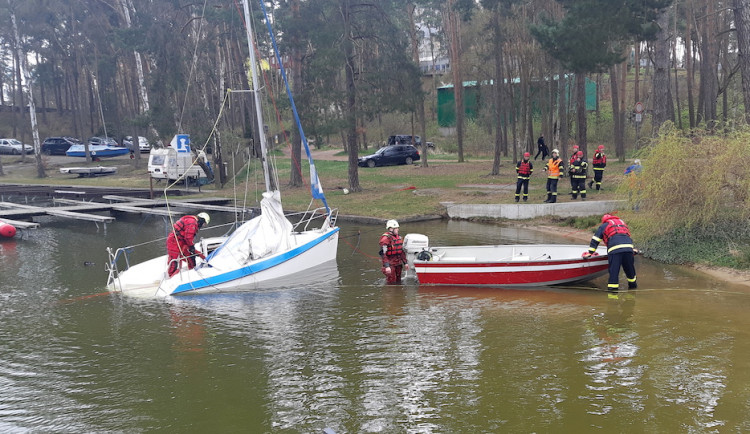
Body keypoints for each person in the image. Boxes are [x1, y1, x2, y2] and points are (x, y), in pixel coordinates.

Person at [584, 214, 637, 292]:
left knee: (614, 272)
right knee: (629, 269)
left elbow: (595, 239)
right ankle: (633, 288)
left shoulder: (604, 225)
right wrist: (632, 249)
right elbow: (626, 236)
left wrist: (590, 252)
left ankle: (612, 294)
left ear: (604, 220)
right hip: (628, 248)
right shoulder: (622, 224)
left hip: (615, 249)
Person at [166, 212, 210, 278]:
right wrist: (191, 247)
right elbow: (188, 237)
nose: (202, 226)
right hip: (174, 241)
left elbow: (187, 238)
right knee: (174, 260)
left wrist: (199, 254)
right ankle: (171, 276)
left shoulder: (192, 221)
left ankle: (192, 269)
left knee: (191, 256)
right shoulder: (192, 222)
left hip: (182, 241)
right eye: (204, 224)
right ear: (202, 220)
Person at [380, 219, 408, 284]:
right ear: (391, 229)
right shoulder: (385, 239)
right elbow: (383, 254)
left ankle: (398, 293)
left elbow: (402, 251)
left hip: (398, 263)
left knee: (398, 281)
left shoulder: (399, 237)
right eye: (396, 228)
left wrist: (405, 263)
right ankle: (390, 292)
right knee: (391, 282)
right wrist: (387, 266)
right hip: (390, 264)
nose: (398, 229)